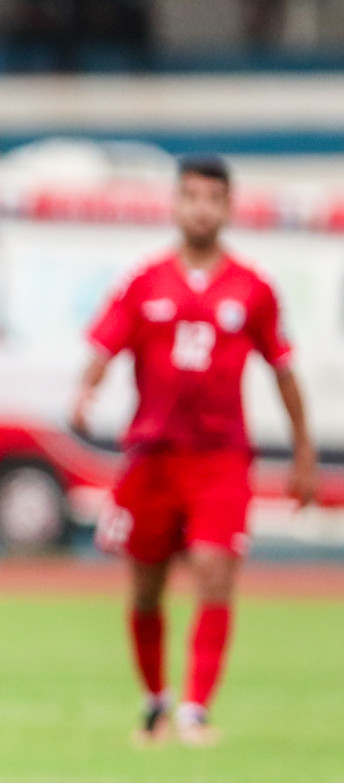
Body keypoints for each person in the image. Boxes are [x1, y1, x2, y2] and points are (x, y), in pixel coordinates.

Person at [72, 153, 316, 746]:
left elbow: (283, 371)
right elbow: (104, 346)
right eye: (192, 196)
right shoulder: (143, 280)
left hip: (220, 457)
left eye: (213, 198)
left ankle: (195, 712)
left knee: (214, 571)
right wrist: (86, 389)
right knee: (146, 588)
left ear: (228, 208)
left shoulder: (253, 288)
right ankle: (156, 703)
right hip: (152, 456)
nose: (202, 208)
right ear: (176, 203)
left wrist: (303, 451)